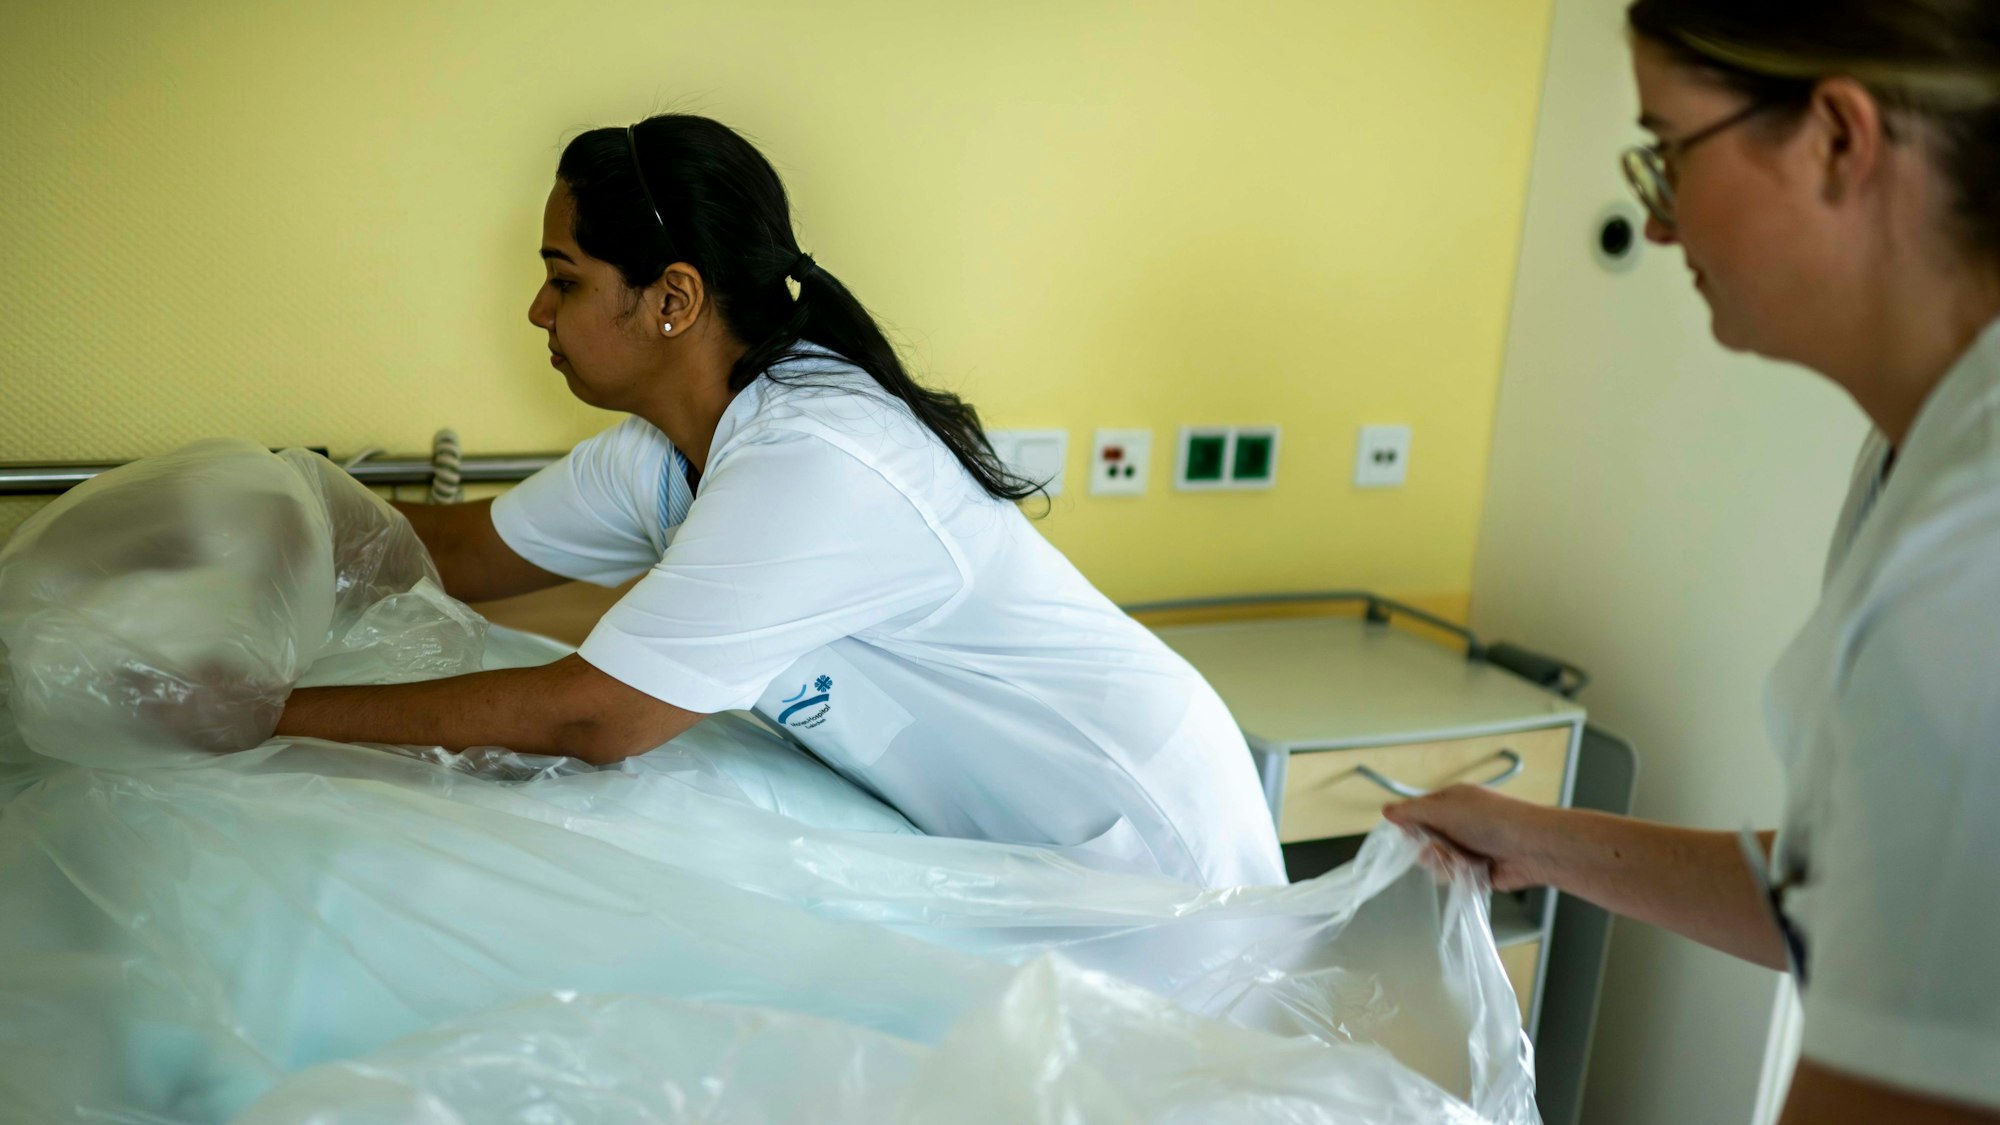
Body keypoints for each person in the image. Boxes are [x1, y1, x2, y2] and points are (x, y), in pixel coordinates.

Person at [274, 113, 1284, 890]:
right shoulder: (665, 451)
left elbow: (595, 717)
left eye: (564, 280)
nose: (537, 310)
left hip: (1137, 832)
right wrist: (249, 536)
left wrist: (265, 714)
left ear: (670, 299)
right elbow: (460, 553)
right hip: (996, 830)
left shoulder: (817, 461)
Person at [1387, 2, 2000, 1120]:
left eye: (1668, 151)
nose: (1656, 223)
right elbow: (1844, 896)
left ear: (1834, 139)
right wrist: (1530, 841)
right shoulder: (1911, 455)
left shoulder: (1973, 548)